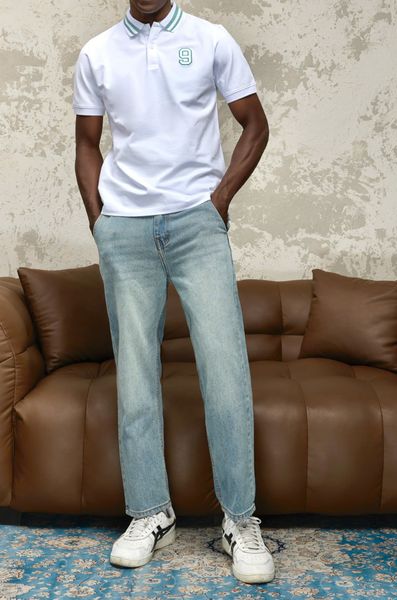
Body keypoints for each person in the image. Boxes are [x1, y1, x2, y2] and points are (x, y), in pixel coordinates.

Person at [73, 0, 274, 585]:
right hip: (126, 229)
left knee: (225, 370)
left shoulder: (211, 39)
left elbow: (255, 124)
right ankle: (149, 513)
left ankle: (240, 520)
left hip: (196, 224)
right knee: (136, 375)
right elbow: (87, 142)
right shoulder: (96, 53)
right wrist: (100, 221)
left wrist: (219, 200)